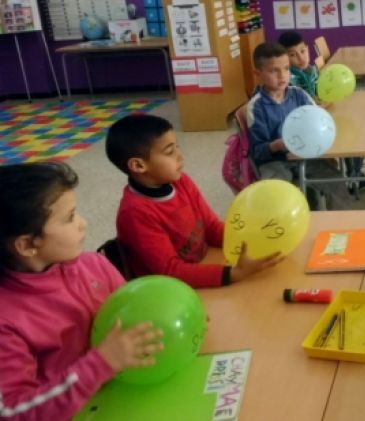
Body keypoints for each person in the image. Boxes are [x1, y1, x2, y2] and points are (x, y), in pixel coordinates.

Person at [0, 162, 164, 420]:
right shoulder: (6, 321)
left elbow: (135, 314)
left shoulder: (94, 265)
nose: (83, 223)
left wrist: (171, 315)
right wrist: (99, 365)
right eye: (70, 217)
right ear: (27, 244)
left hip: (130, 396)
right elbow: (13, 412)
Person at [106, 114, 282, 289]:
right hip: (168, 292)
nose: (180, 156)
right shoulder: (135, 213)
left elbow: (211, 227)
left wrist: (252, 242)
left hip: (201, 268)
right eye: (169, 151)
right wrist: (233, 274)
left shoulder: (181, 181)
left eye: (177, 147)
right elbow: (170, 272)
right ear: (138, 166)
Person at [246, 42, 351, 209]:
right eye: (274, 70)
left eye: (286, 68)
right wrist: (276, 145)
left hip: (306, 156)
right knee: (276, 196)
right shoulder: (256, 107)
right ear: (258, 73)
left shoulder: (299, 95)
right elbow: (257, 152)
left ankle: (343, 225)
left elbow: (319, 120)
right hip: (275, 162)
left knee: (335, 181)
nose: (282, 75)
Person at [277, 31, 365, 194]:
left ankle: (355, 175)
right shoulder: (289, 80)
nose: (301, 58)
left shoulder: (312, 70)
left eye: (302, 51)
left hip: (321, 118)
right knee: (348, 138)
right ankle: (353, 177)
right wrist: (316, 105)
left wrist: (324, 101)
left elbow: (321, 92)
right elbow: (297, 108)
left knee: (355, 134)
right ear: (284, 58)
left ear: (308, 49)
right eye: (292, 55)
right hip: (308, 130)